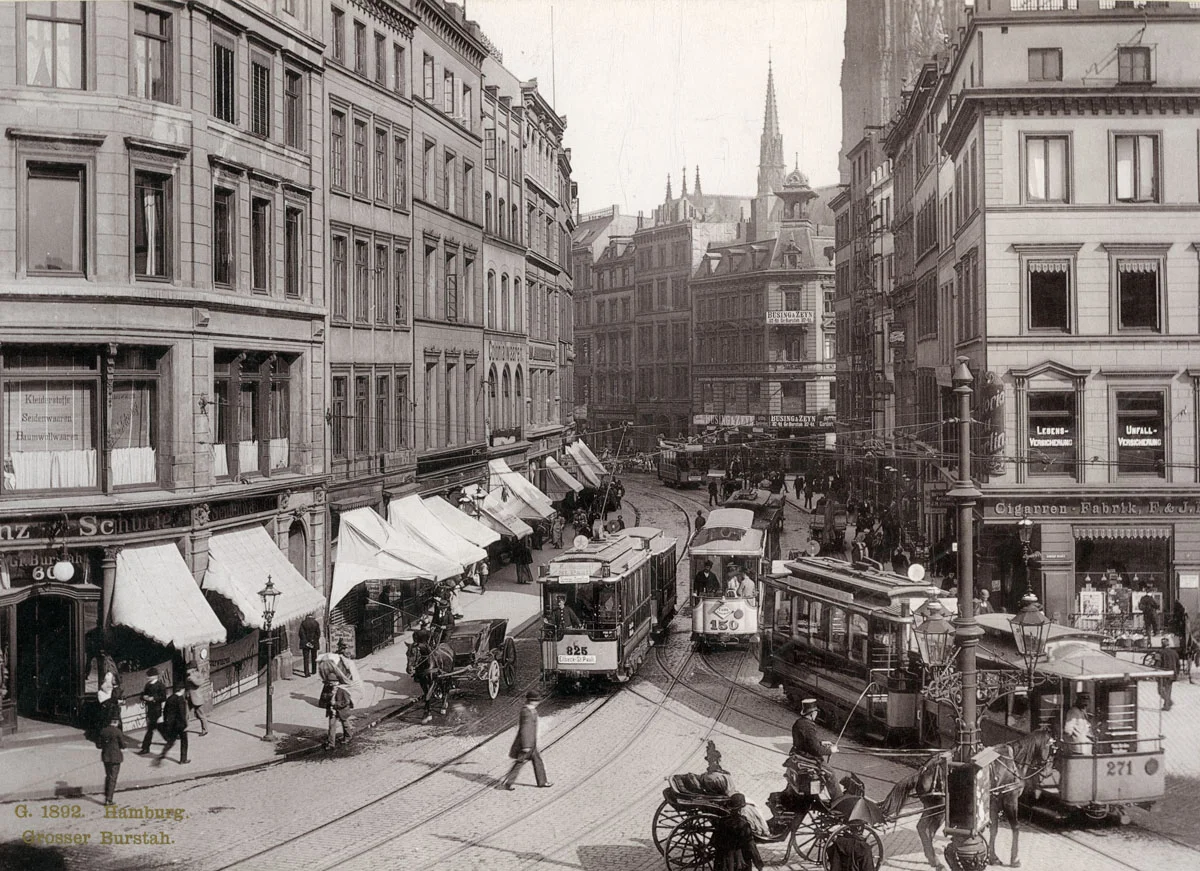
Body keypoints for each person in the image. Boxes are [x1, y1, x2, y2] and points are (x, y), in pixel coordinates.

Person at [500, 690, 551, 790]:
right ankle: (508, 783)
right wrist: (526, 746)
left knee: (537, 761)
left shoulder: (532, 710)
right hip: (526, 745)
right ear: (531, 701)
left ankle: (542, 782)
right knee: (519, 763)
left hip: (531, 743)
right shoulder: (526, 712)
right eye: (536, 701)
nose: (538, 703)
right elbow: (525, 729)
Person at [790, 698, 839, 799]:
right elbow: (816, 750)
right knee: (831, 774)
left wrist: (822, 742)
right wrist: (830, 750)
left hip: (799, 752)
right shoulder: (809, 726)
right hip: (808, 757)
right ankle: (838, 801)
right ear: (812, 713)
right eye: (816, 713)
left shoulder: (799, 722)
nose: (816, 715)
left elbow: (807, 740)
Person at [711, 794, 764, 871]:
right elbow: (751, 846)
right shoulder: (744, 824)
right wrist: (759, 864)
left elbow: (714, 842)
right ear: (741, 808)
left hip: (723, 863)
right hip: (740, 862)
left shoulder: (721, 822)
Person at [98, 712, 129, 806]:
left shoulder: (103, 731)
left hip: (105, 756)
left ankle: (107, 794)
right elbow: (123, 745)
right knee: (113, 778)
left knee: (108, 776)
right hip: (115, 757)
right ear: (117, 722)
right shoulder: (118, 732)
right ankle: (109, 799)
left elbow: (98, 745)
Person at [155, 682, 189, 765]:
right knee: (184, 741)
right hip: (180, 724)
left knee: (171, 741)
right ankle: (183, 759)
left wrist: (167, 722)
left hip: (171, 724)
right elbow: (182, 714)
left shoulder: (170, 698)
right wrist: (185, 725)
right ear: (182, 690)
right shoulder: (181, 699)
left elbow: (165, 711)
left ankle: (162, 754)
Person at [138, 668, 168, 755]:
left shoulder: (160, 685)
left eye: (149, 676)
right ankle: (169, 738)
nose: (148, 678)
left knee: (150, 729)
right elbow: (143, 694)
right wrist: (144, 697)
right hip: (149, 709)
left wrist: (154, 698)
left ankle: (145, 747)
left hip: (156, 709)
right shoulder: (148, 685)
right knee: (159, 727)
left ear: (155, 676)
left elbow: (163, 697)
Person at [323, 681, 354, 747]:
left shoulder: (343, 691)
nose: (331, 684)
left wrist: (336, 704)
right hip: (332, 711)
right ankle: (331, 743)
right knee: (331, 726)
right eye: (330, 682)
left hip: (341, 710)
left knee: (345, 724)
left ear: (337, 683)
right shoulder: (329, 689)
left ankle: (348, 737)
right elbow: (325, 699)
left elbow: (347, 701)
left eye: (333, 682)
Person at [184, 661, 210, 737]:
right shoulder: (188, 676)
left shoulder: (198, 675)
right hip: (189, 698)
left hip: (196, 699)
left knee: (201, 715)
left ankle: (205, 730)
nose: (187, 670)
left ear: (193, 669)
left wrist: (192, 678)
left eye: (188, 668)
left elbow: (199, 683)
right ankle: (183, 731)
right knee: (185, 714)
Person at [1159, 636, 1179, 711]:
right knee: (1168, 690)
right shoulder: (1174, 652)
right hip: (1171, 674)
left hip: (1163, 674)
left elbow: (1157, 664)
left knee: (1160, 690)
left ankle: (1168, 703)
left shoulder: (1161, 652)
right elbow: (1178, 664)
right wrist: (1176, 673)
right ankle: (1167, 703)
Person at [299, 613, 321, 678]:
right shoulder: (316, 623)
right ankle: (314, 671)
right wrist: (313, 640)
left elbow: (301, 633)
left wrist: (306, 641)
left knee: (306, 658)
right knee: (314, 656)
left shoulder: (303, 623)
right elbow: (318, 633)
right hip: (314, 643)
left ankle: (306, 673)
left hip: (305, 643)